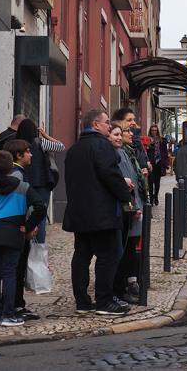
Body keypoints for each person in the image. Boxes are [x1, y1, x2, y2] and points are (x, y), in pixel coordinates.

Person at [63, 110, 133, 316]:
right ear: (95, 125)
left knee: (82, 256)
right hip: (101, 213)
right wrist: (125, 197)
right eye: (106, 123)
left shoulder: (74, 149)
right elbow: (110, 175)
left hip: (79, 212)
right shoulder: (102, 145)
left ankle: (82, 302)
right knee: (108, 256)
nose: (109, 127)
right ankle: (104, 301)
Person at [0, 151, 46, 327]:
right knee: (10, 274)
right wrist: (28, 226)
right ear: (12, 166)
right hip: (14, 234)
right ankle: (9, 314)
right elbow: (40, 207)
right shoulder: (23, 187)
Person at [108, 124, 144, 304]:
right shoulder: (117, 154)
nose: (131, 134)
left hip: (129, 207)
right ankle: (121, 289)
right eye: (127, 130)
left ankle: (129, 284)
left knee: (129, 248)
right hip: (124, 210)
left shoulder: (127, 152)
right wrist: (133, 206)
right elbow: (123, 185)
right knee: (123, 250)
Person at [15, 119, 64, 245]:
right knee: (40, 217)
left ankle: (23, 245)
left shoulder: (16, 145)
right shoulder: (40, 142)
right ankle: (38, 247)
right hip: (42, 184)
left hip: (23, 183)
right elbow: (61, 146)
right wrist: (45, 135)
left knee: (21, 215)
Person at [112, 108, 151, 178]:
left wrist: (145, 164)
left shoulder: (131, 141)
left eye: (134, 120)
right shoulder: (119, 146)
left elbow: (139, 151)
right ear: (119, 122)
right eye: (129, 120)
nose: (134, 123)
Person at [146, 125, 169, 206]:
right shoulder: (147, 140)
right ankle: (151, 199)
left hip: (159, 163)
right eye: (152, 130)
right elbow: (145, 151)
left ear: (157, 131)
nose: (154, 132)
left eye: (155, 130)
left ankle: (156, 196)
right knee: (150, 181)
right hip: (151, 163)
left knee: (157, 182)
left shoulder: (161, 140)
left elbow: (165, 153)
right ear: (150, 131)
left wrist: (166, 163)